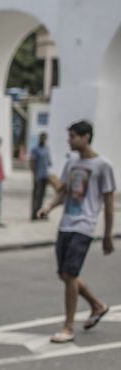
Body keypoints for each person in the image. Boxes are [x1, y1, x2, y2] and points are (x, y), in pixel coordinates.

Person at [37, 120, 115, 344]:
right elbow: (63, 192)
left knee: (70, 275)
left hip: (84, 226)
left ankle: (68, 327)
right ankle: (98, 306)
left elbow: (109, 203)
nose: (69, 141)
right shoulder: (71, 163)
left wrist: (107, 235)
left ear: (86, 137)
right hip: (66, 224)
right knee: (64, 274)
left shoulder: (103, 166)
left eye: (72, 136)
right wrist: (48, 207)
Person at [29, 132, 52, 220]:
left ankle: (40, 213)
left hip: (44, 175)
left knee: (42, 195)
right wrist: (34, 175)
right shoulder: (35, 149)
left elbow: (49, 161)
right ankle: (33, 214)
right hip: (38, 175)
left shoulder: (47, 148)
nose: (43, 140)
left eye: (44, 138)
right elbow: (32, 162)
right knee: (36, 196)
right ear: (39, 138)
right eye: (42, 138)